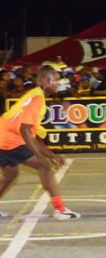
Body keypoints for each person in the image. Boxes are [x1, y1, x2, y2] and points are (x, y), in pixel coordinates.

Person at [0, 65, 81, 220]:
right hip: (10, 139)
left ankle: (60, 209)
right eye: (55, 79)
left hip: (4, 136)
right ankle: (60, 210)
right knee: (44, 167)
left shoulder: (35, 95)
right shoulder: (37, 98)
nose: (58, 83)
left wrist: (51, 155)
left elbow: (32, 134)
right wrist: (41, 156)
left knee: (11, 174)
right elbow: (24, 130)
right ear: (43, 80)